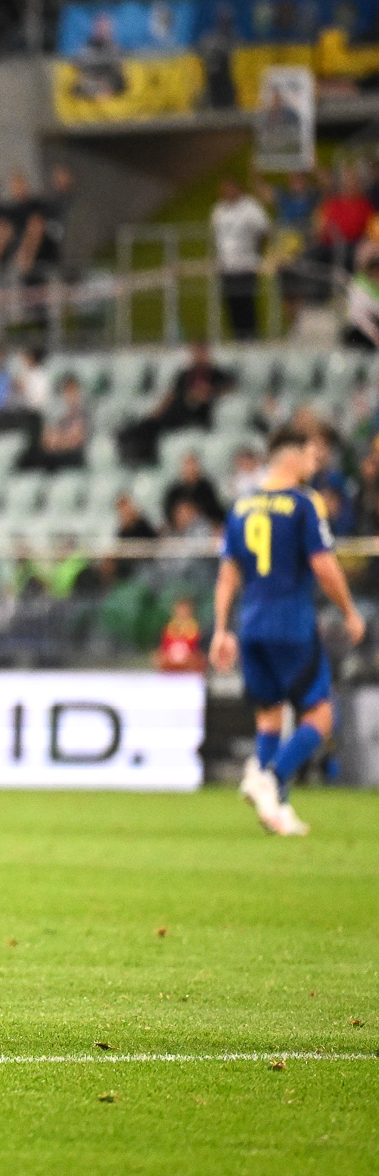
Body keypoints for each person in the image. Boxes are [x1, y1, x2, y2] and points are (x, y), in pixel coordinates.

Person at [211, 424, 366, 837]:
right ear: (291, 456)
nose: (315, 463)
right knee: (321, 714)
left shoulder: (242, 505)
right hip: (292, 622)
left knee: (269, 716)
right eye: (311, 455)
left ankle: (275, 811)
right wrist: (349, 610)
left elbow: (227, 574)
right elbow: (323, 564)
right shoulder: (303, 503)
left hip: (251, 623)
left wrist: (222, 628)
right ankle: (270, 779)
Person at [210, 179, 271, 340]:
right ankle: (238, 339)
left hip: (246, 264)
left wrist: (258, 254)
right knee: (232, 304)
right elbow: (218, 238)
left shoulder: (250, 207)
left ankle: (251, 339)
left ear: (238, 189)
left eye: (230, 189)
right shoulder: (219, 210)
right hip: (226, 266)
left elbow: (265, 232)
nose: (227, 193)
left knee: (246, 303)